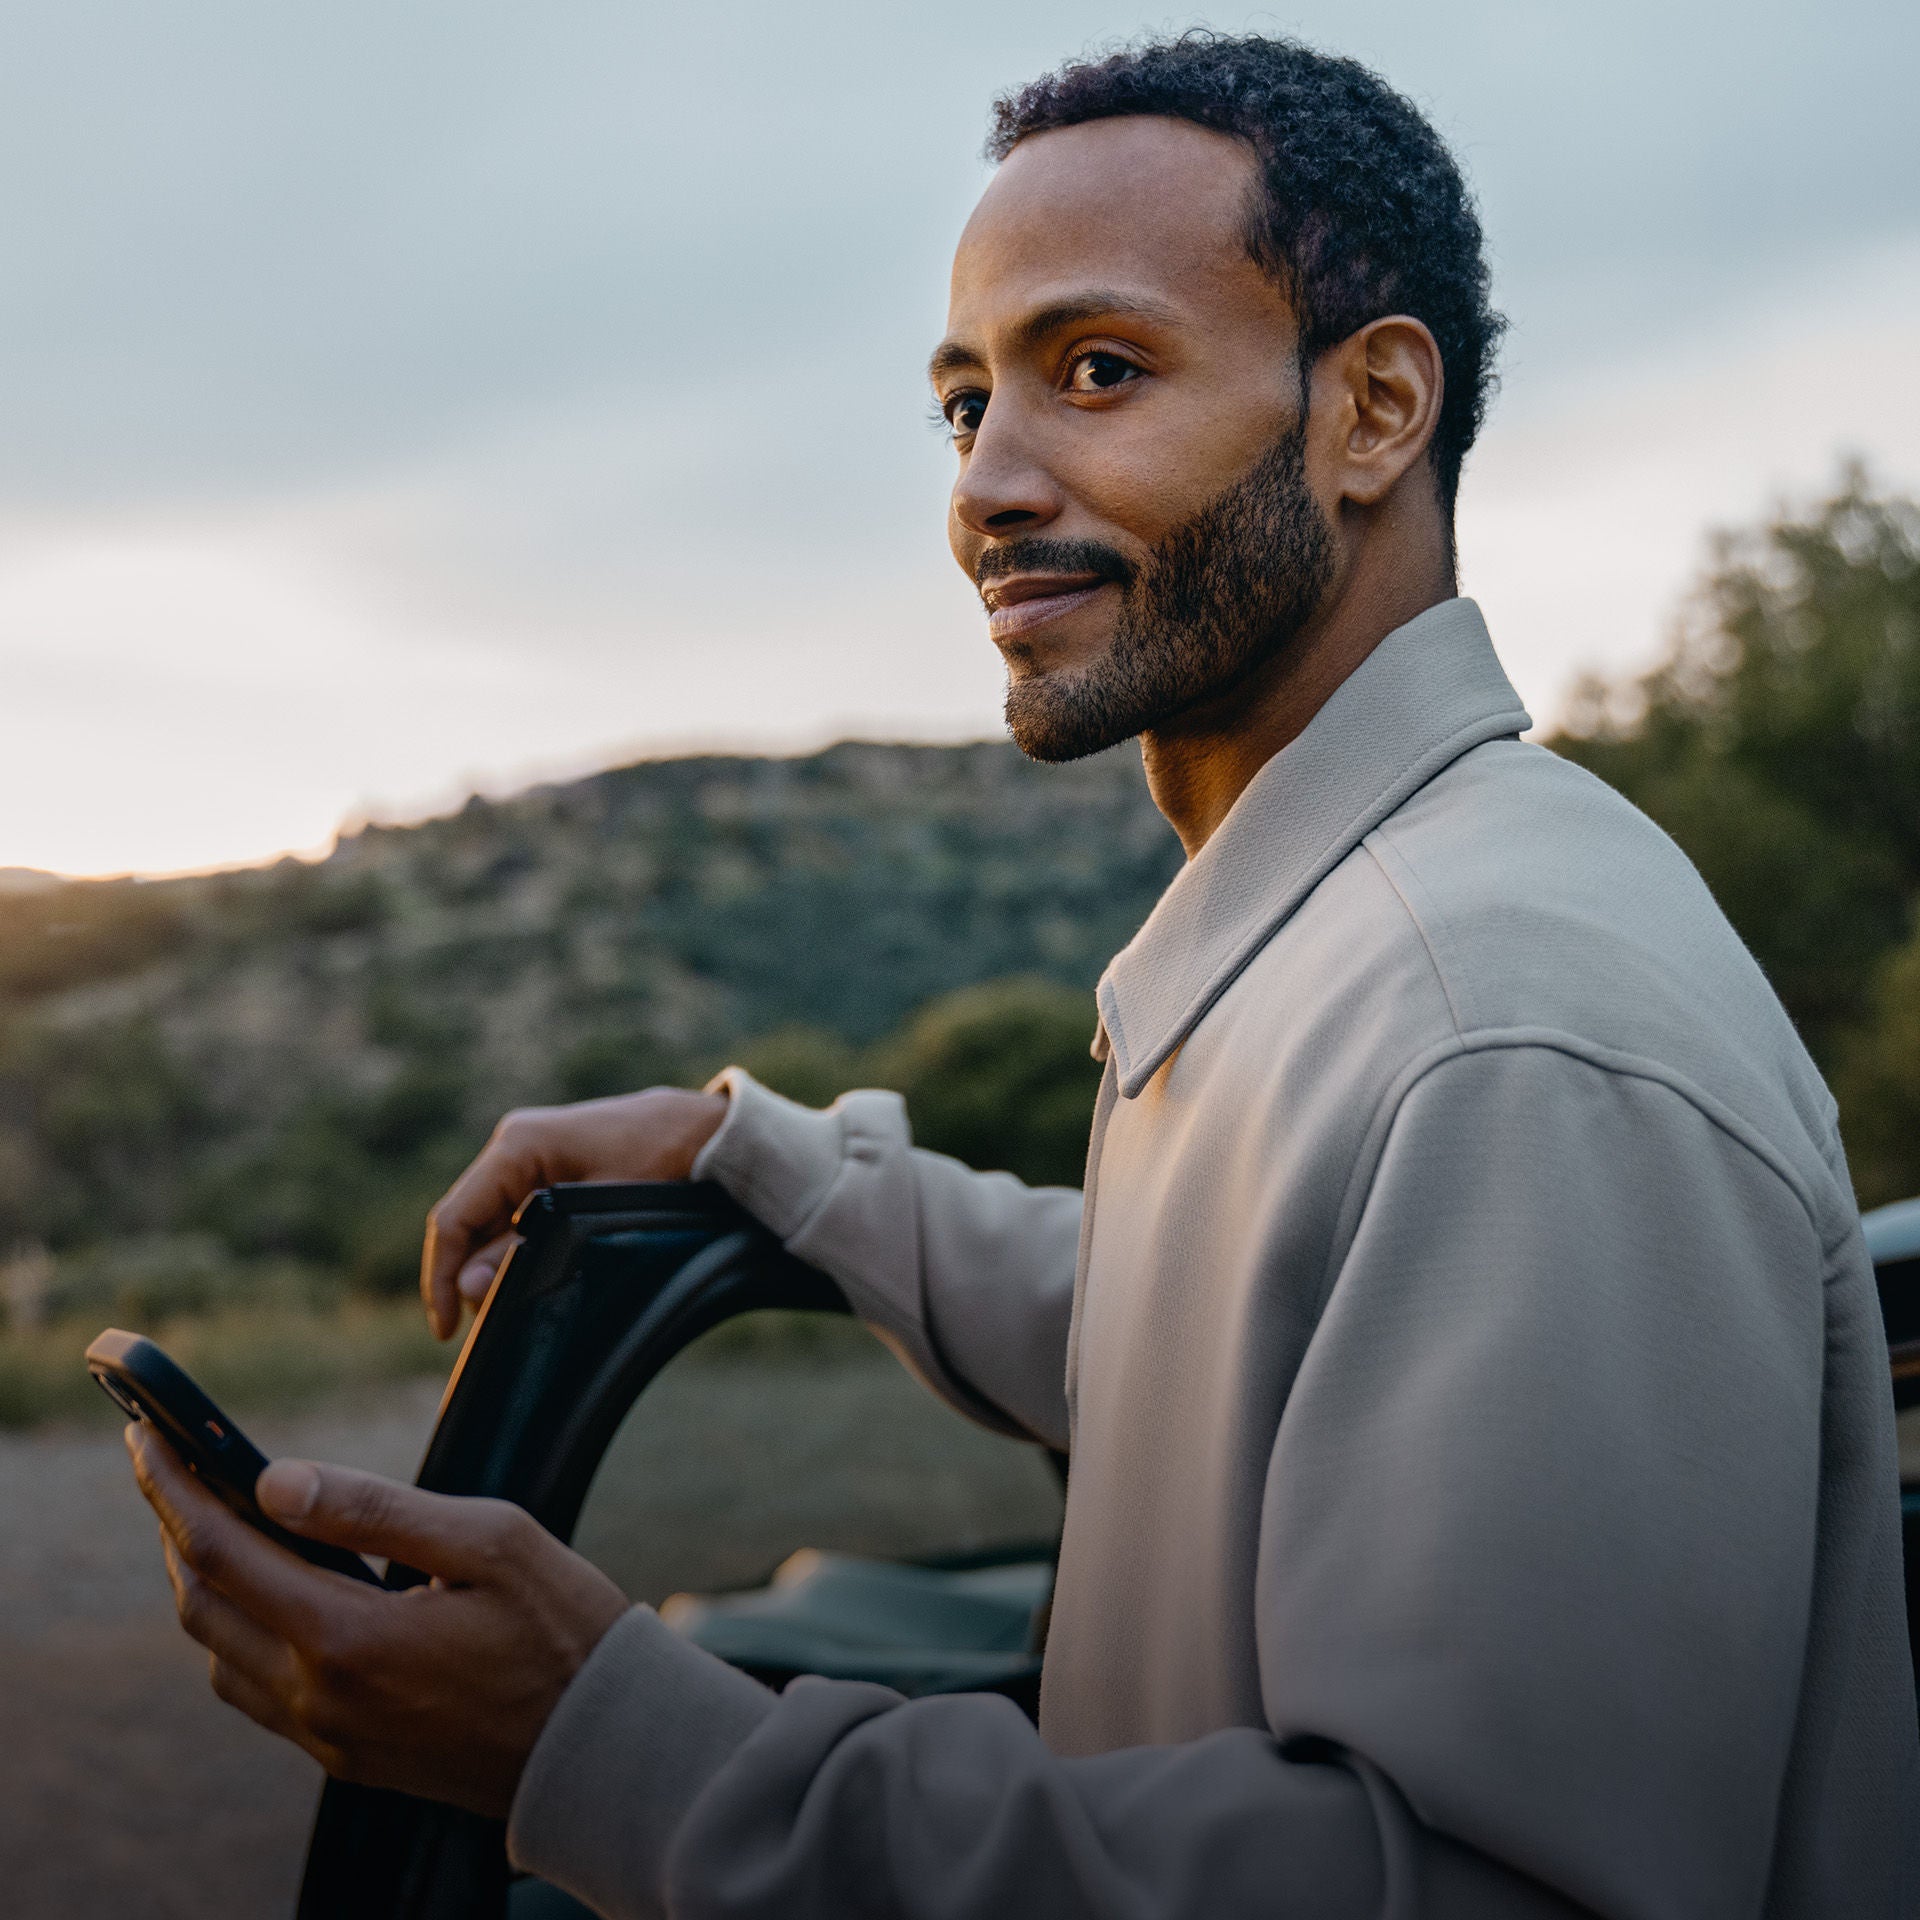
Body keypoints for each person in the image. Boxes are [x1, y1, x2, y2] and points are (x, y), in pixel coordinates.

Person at [128, 32, 1918, 1919]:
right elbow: (1215, 1340)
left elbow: (1488, 1888)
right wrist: (766, 1165)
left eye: (1099, 372)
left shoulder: (1507, 1031)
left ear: (1374, 410)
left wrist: (602, 1737)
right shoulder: (1356, 927)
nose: (988, 481)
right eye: (964, 403)